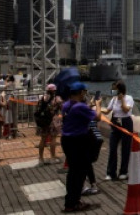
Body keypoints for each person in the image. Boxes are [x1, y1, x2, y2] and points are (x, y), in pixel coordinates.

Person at [60, 82, 101, 213]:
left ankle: (71, 201)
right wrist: (98, 105)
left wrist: (88, 106)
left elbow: (77, 112)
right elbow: (98, 117)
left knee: (73, 172)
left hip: (67, 140)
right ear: (81, 92)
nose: (85, 94)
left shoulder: (67, 105)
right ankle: (73, 203)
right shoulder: (80, 107)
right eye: (84, 92)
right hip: (77, 141)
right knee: (80, 173)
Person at [102, 80, 134, 180]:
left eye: (114, 89)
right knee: (112, 148)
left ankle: (123, 172)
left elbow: (126, 110)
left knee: (125, 148)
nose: (113, 91)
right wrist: (97, 107)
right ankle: (111, 172)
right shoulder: (113, 99)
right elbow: (107, 111)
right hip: (115, 123)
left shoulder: (129, 98)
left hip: (126, 123)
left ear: (120, 90)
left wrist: (122, 100)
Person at [36, 84, 63, 164]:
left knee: (43, 139)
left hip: (43, 121)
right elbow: (62, 108)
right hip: (52, 121)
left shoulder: (42, 97)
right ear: (54, 90)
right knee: (53, 138)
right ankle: (52, 157)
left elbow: (38, 108)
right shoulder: (57, 99)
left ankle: (40, 158)